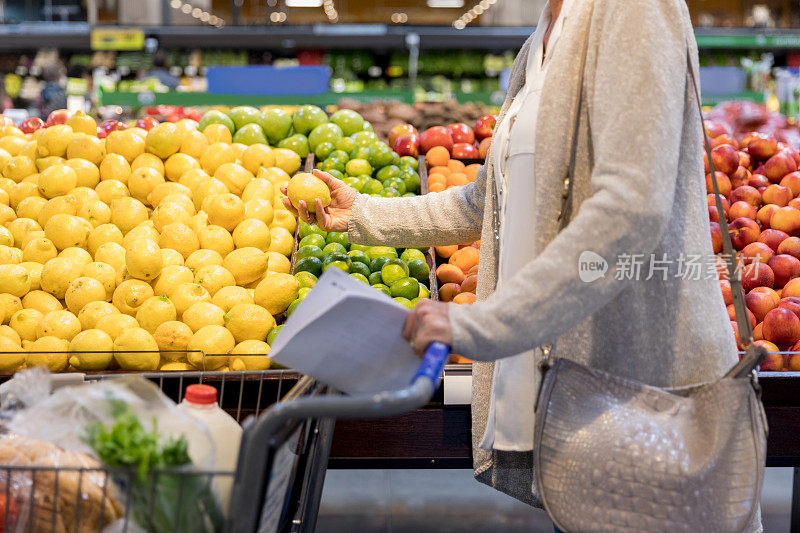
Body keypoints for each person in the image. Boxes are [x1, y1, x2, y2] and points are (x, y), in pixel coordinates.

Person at [284, 0, 760, 529]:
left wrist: (484, 324)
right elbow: (488, 201)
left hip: (648, 399)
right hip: (580, 400)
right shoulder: (541, 40)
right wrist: (365, 215)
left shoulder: (633, 10)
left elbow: (630, 208)